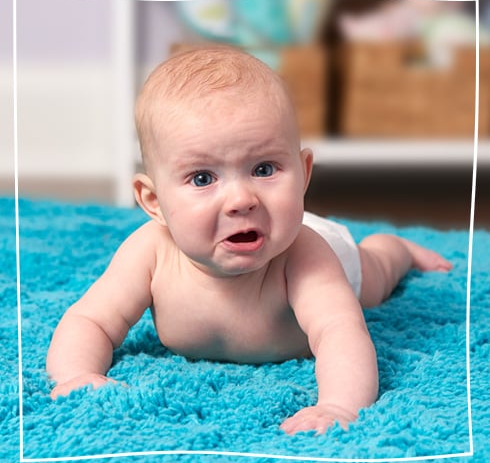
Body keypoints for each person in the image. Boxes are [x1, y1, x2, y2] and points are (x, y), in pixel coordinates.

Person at [46, 45, 452, 435]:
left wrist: (338, 405)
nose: (241, 199)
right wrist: (78, 374)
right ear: (153, 201)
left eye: (264, 169)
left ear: (303, 172)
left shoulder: (307, 256)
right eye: (203, 178)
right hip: (270, 226)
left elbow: (340, 334)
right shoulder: (149, 252)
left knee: (375, 275)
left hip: (301, 239)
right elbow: (91, 321)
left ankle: (396, 248)